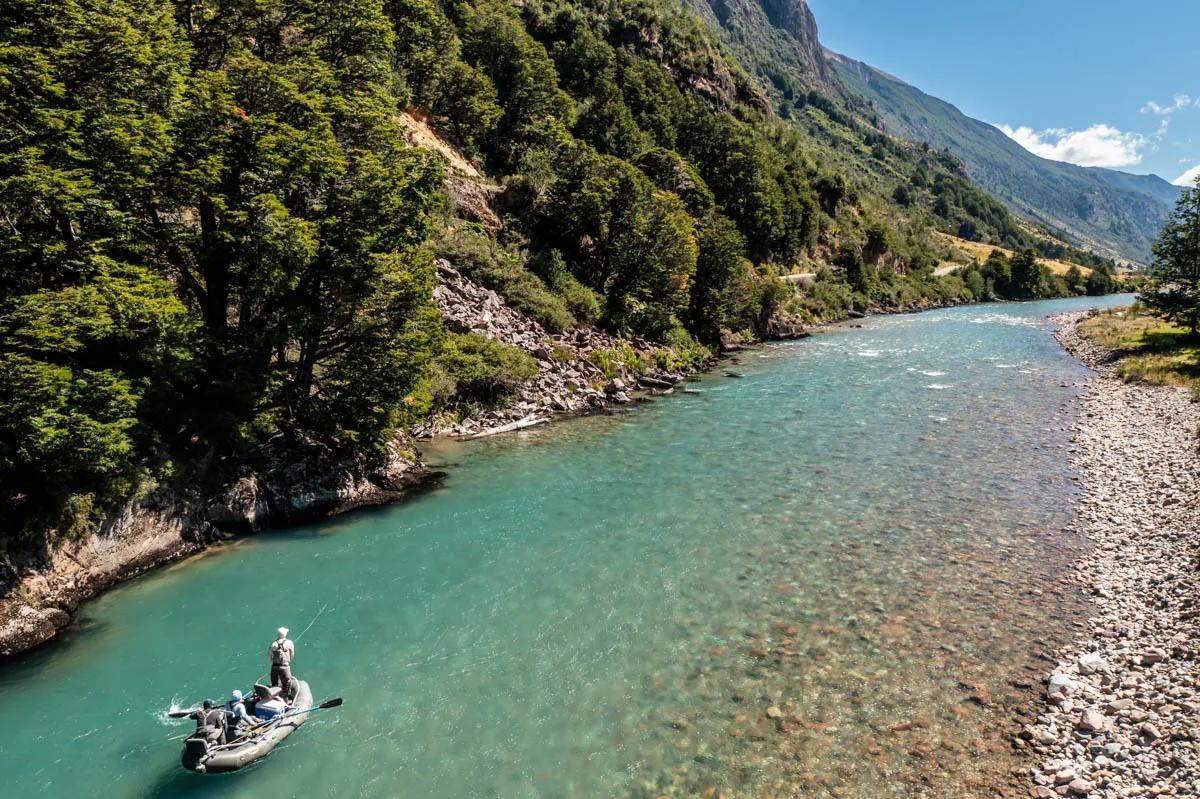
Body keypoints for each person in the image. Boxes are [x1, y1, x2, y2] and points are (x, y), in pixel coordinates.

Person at [268, 626, 295, 693]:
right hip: (284, 667)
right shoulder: (289, 642)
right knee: (287, 684)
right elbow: (292, 654)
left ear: (278, 634)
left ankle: (274, 697)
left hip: (274, 667)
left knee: (274, 685)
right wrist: (288, 661)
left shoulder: (273, 643)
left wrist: (272, 662)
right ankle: (286, 698)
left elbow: (269, 655)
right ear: (285, 634)